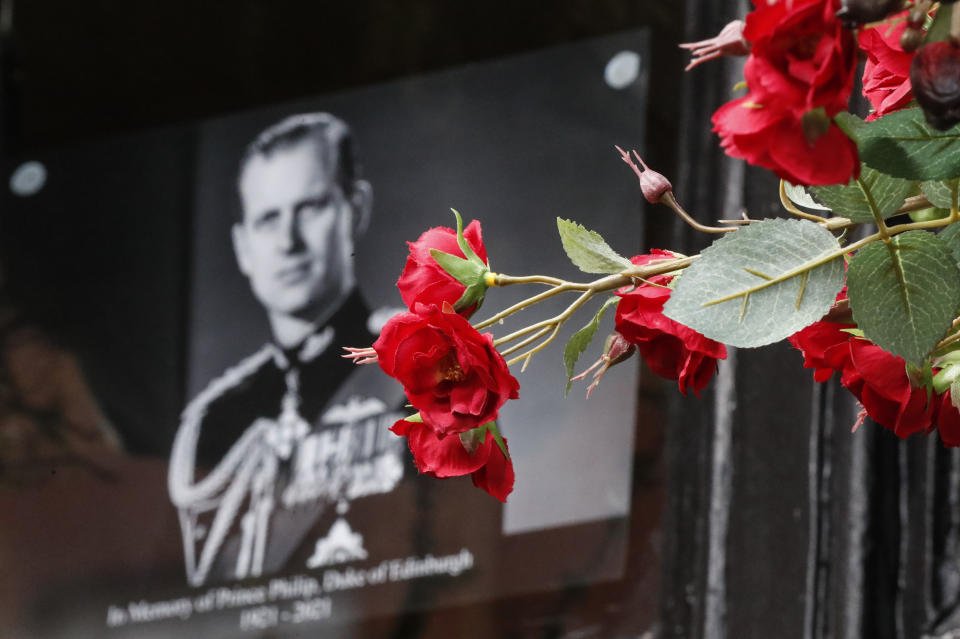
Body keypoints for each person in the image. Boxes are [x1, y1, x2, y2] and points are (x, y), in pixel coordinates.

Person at [167, 113, 409, 587]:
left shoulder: (421, 364)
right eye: (268, 219)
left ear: (354, 209)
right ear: (242, 247)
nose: (288, 241)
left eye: (310, 207)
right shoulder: (211, 422)